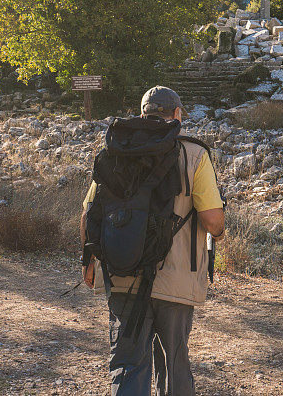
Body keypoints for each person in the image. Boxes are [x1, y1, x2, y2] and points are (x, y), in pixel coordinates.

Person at [80, 86, 225, 396]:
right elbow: (213, 221)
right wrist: (220, 232)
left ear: (143, 112)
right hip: (177, 280)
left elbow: (89, 213)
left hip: (123, 270)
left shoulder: (117, 149)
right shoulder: (194, 154)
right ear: (176, 115)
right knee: (174, 363)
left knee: (130, 364)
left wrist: (88, 261)